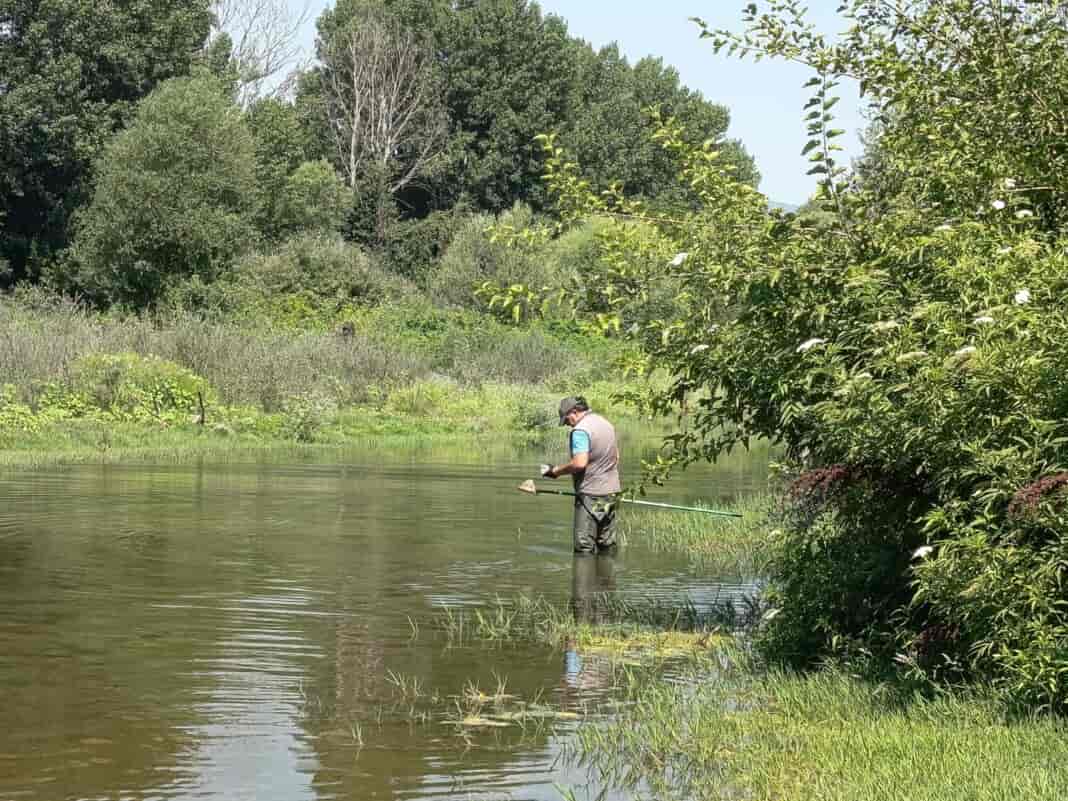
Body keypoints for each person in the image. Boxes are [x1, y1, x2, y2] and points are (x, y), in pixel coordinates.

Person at [540, 396, 621, 554]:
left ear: (574, 412)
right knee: (607, 544)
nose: (566, 424)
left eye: (566, 419)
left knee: (584, 547)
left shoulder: (580, 430)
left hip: (590, 495)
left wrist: (555, 471)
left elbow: (579, 463)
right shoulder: (605, 423)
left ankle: (584, 577)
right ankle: (607, 577)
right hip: (612, 493)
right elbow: (616, 457)